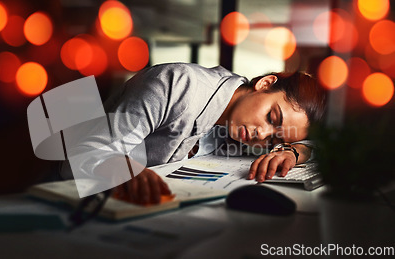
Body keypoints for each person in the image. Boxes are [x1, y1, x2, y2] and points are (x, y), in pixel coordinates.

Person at [62, 62, 327, 205]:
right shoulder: (175, 85)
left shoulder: (235, 117)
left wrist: (293, 151)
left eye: (273, 138)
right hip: (80, 201)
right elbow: (87, 153)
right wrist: (123, 169)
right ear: (265, 83)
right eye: (271, 117)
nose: (262, 135)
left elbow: (314, 143)